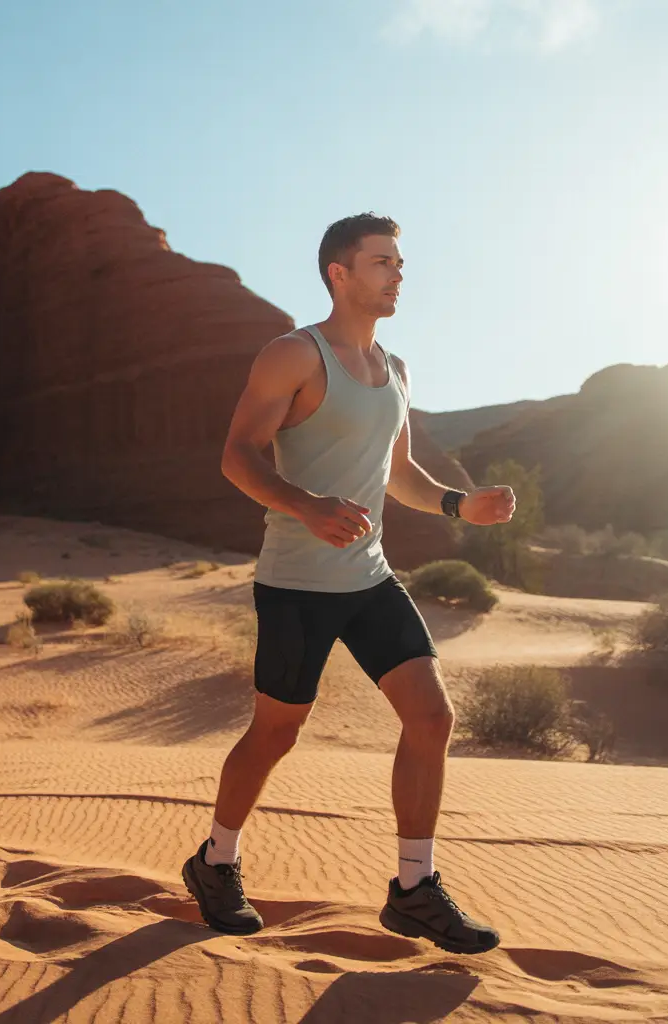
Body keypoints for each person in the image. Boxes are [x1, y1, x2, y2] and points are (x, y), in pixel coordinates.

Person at [182, 213, 515, 955]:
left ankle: (413, 889)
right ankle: (215, 863)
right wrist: (305, 505)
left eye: (399, 262)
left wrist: (462, 505)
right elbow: (237, 455)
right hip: (296, 583)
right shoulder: (293, 355)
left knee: (431, 719)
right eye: (382, 262)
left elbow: (401, 477)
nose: (398, 274)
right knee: (276, 733)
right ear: (340, 273)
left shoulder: (395, 370)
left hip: (369, 580)